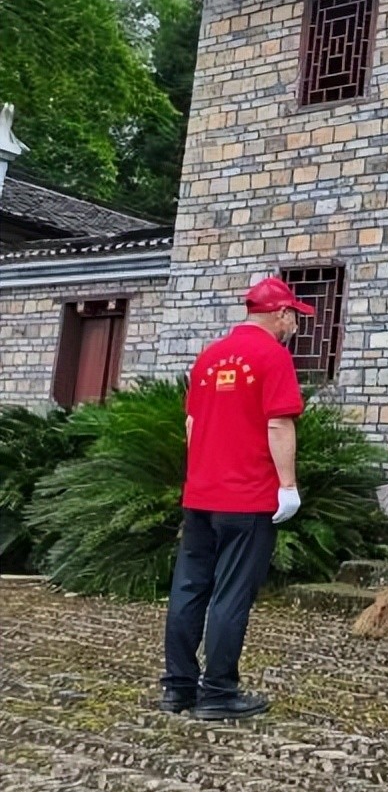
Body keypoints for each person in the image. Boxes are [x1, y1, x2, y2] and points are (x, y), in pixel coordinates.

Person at [161, 276, 311, 720]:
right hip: (247, 498)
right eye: (293, 319)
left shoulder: (209, 356)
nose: (294, 328)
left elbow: (191, 426)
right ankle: (219, 691)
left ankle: (178, 687)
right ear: (281, 314)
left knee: (188, 588)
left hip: (202, 494)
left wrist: (203, 473)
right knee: (231, 593)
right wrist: (288, 486)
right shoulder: (273, 356)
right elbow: (278, 424)